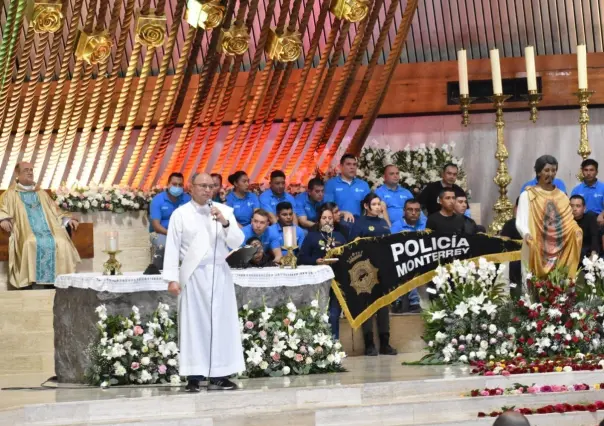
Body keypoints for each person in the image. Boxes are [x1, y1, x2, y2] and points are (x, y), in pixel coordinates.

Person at [163, 172, 244, 392]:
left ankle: (220, 374)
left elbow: (237, 241)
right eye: (203, 186)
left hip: (219, 273)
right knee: (194, 325)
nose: (208, 190)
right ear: (191, 187)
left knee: (221, 324)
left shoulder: (224, 211)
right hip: (194, 275)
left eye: (211, 186)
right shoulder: (180, 214)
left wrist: (225, 223)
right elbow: (171, 247)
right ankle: (194, 375)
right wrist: (171, 279)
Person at [0, 162, 81, 289]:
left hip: (50, 230)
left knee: (62, 242)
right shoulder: (9, 194)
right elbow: (2, 209)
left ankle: (59, 285)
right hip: (26, 232)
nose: (30, 172)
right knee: (30, 242)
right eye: (26, 170)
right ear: (17, 174)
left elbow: (56, 211)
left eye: (31, 170)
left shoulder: (41, 193)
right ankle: (28, 284)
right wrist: (3, 219)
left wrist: (66, 220)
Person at [516, 155, 582, 280]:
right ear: (538, 172)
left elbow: (568, 221)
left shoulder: (562, 196)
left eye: (553, 170)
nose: (550, 174)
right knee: (532, 283)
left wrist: (576, 230)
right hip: (535, 244)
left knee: (558, 283)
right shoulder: (528, 195)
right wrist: (526, 234)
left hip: (559, 247)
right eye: (546, 170)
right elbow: (521, 220)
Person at [349, 193, 397, 356]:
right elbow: (353, 248)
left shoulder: (383, 223)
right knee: (367, 307)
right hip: (366, 271)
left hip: (383, 269)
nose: (378, 207)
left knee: (383, 306)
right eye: (374, 204)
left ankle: (385, 343)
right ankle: (369, 344)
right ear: (366, 206)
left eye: (379, 204)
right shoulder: (359, 223)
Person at [299, 205, 347, 338]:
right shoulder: (312, 237)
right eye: (324, 218)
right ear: (319, 220)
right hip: (318, 282)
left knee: (334, 313)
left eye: (330, 218)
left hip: (337, 280)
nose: (327, 221)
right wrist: (316, 261)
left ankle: (334, 344)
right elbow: (301, 258)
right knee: (319, 312)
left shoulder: (340, 236)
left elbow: (348, 256)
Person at [149, 172, 191, 267]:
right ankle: (159, 272)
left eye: (180, 185)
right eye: (174, 184)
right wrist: (172, 234)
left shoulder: (187, 199)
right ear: (168, 185)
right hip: (161, 233)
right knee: (163, 245)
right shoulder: (158, 200)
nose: (177, 187)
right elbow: (156, 226)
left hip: (183, 233)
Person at [390, 199, 424, 313]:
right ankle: (410, 301)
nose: (414, 213)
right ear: (404, 211)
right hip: (401, 260)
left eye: (417, 210)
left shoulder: (425, 224)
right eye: (410, 210)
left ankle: (405, 300)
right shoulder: (396, 227)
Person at [324, 154, 371, 222]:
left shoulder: (363, 185)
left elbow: (370, 206)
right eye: (348, 164)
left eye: (354, 164)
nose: (352, 167)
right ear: (341, 166)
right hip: (338, 224)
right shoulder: (331, 184)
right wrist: (343, 213)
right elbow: (327, 208)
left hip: (359, 224)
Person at [500, 197, 522, 299]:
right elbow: (503, 245)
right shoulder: (510, 224)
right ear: (516, 208)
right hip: (514, 260)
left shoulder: (535, 223)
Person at [571, 159, 604, 225]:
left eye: (591, 170)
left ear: (596, 172)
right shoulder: (576, 190)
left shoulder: (602, 188)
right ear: (582, 172)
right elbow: (571, 208)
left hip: (599, 220)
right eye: (586, 170)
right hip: (581, 221)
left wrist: (602, 215)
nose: (588, 173)